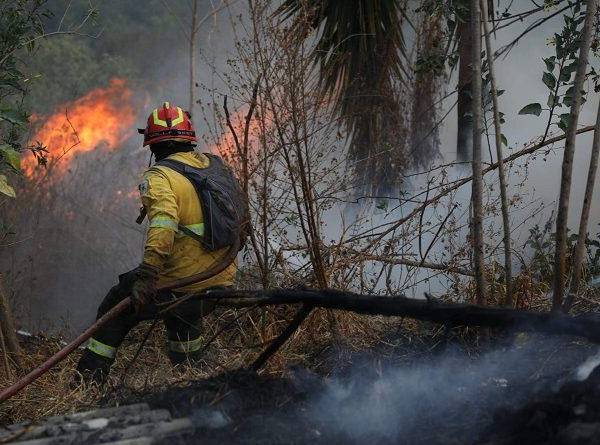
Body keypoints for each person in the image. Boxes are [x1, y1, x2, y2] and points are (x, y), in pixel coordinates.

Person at [76, 102, 240, 384]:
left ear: (152, 145)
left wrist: (148, 274)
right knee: (182, 315)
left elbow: (163, 227)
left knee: (115, 307)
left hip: (183, 284)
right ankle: (191, 373)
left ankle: (87, 380)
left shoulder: (160, 177)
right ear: (189, 140)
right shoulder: (214, 166)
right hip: (220, 280)